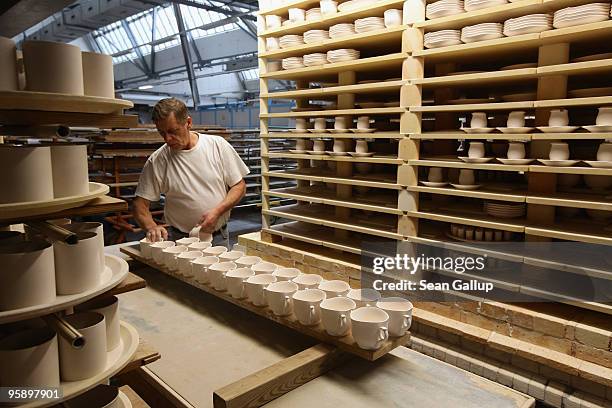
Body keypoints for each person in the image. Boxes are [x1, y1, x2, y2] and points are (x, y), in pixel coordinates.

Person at [133, 97, 249, 246]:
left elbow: (239, 186)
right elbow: (139, 205)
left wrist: (217, 211)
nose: (167, 139)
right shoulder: (158, 160)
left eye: (173, 131)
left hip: (217, 237)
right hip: (178, 239)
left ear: (188, 123)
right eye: (162, 133)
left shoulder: (217, 146)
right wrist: (151, 227)